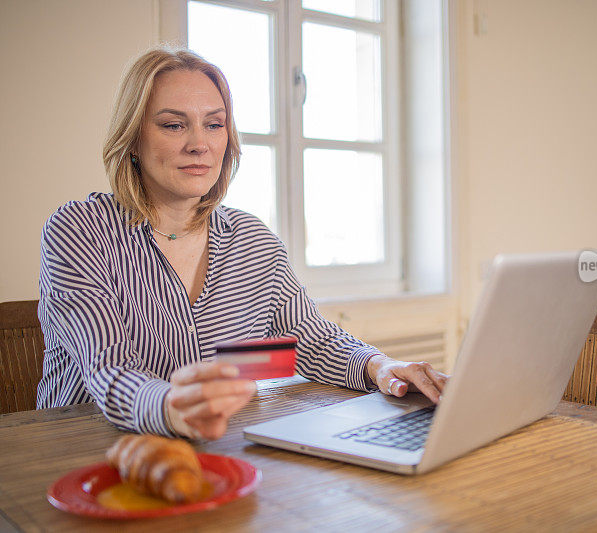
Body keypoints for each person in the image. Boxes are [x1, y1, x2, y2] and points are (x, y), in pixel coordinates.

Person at [36, 47, 448, 440]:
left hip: (219, 452)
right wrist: (172, 409)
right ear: (134, 138)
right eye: (173, 124)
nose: (200, 143)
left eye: (214, 124)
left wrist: (381, 366)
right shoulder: (79, 230)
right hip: (86, 457)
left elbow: (306, 340)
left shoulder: (252, 241)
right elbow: (110, 369)